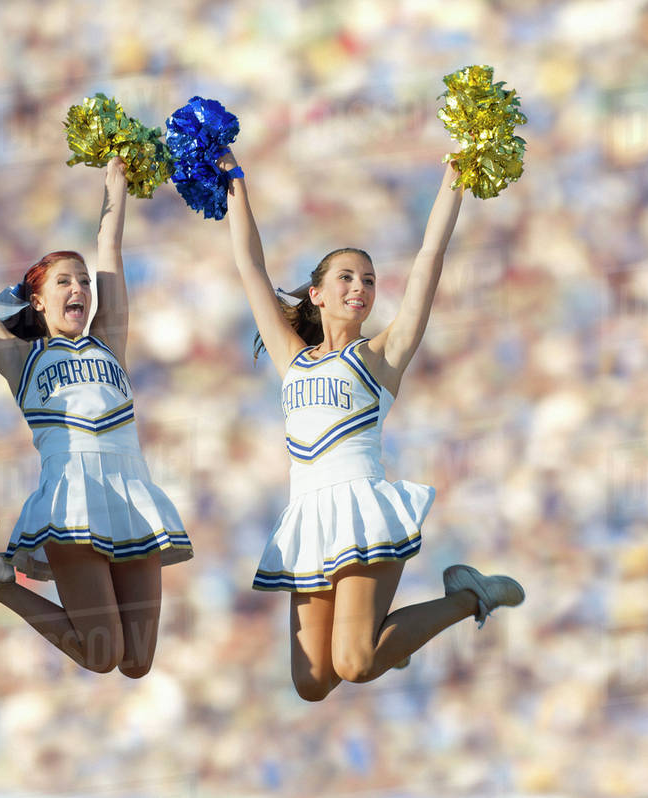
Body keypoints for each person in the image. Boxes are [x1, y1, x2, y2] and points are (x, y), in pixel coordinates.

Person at [216, 149, 524, 701]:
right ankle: (394, 641)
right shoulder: (293, 358)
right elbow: (250, 266)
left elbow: (430, 258)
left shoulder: (381, 356)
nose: (360, 286)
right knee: (312, 683)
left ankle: (466, 595)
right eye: (346, 277)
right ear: (317, 293)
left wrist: (454, 181)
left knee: (355, 663)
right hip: (309, 515)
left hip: (362, 509)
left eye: (369, 280)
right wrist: (234, 179)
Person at [0, 157, 192, 677]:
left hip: (132, 492)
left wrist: (115, 183)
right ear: (39, 299)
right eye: (65, 283)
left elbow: (110, 252)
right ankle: (0, 584)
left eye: (83, 283)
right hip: (70, 497)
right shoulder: (20, 359)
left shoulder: (108, 341)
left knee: (137, 661)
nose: (79, 289)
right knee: (103, 656)